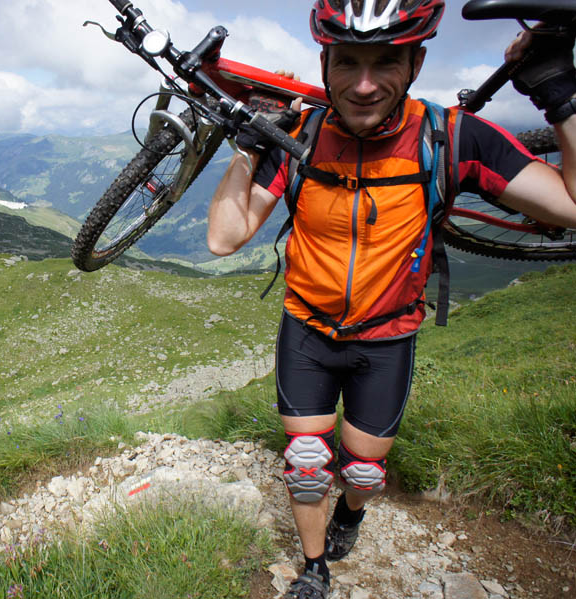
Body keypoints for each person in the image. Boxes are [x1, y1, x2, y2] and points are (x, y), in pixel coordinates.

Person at [207, 2, 576, 598]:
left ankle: (351, 513)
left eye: (386, 62)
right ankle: (314, 567)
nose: (364, 84)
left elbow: (571, 205)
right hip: (308, 327)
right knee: (306, 464)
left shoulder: (452, 137)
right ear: (325, 63)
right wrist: (249, 147)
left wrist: (559, 92)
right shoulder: (299, 137)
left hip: (387, 337)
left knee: (362, 472)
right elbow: (224, 237)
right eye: (347, 61)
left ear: (417, 61)